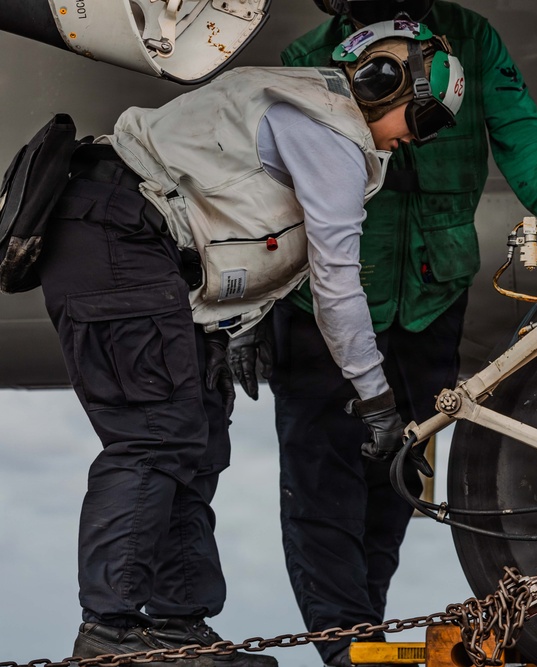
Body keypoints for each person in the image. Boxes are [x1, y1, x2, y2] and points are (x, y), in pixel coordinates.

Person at [34, 23, 465, 665]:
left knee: (198, 438)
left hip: (146, 252)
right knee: (156, 436)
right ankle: (110, 626)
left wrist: (236, 323)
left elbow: (235, 222)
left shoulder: (309, 113)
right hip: (118, 238)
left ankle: (176, 629)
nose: (415, 137)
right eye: (422, 116)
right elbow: (335, 280)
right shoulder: (331, 132)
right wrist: (376, 399)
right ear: (383, 82)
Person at [243, 2, 537, 665]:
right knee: (322, 477)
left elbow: (518, 128)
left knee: (402, 473)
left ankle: (359, 628)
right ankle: (342, 641)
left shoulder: (472, 40)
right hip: (325, 304)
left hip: (431, 298)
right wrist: (255, 303)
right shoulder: (307, 59)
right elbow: (269, 194)